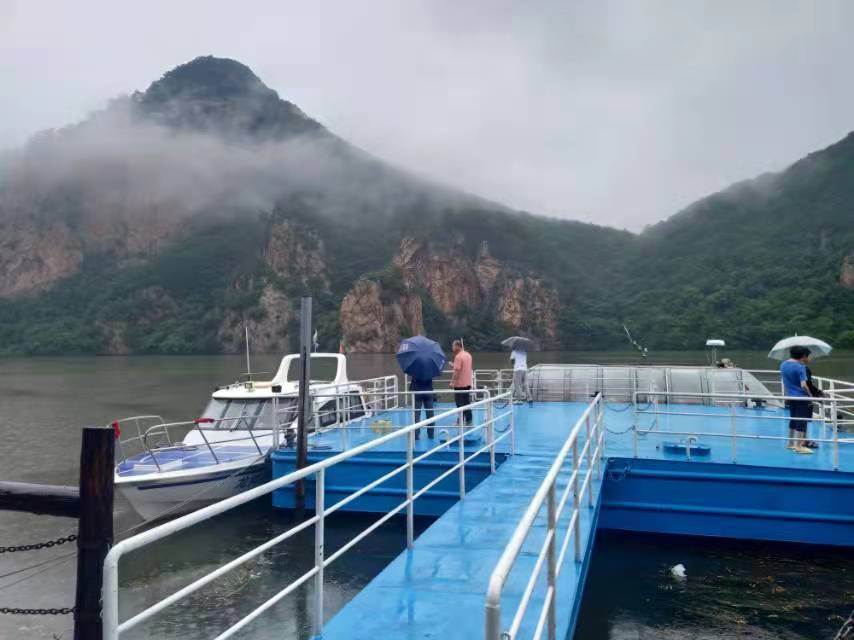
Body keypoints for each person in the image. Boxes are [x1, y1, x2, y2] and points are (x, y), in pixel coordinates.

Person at [780, 345, 814, 454]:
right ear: (803, 356)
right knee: (802, 421)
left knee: (793, 419)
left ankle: (790, 443)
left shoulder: (783, 364)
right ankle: (799, 446)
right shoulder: (800, 367)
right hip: (801, 398)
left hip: (790, 396)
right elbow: (803, 385)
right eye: (807, 356)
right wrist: (810, 395)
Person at [450, 339, 473, 426]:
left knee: (459, 403)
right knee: (466, 402)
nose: (452, 348)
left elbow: (457, 371)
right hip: (468, 383)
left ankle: (460, 421)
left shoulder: (458, 357)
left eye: (453, 346)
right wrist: (454, 365)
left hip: (460, 384)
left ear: (457, 346)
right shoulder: (468, 355)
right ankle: (469, 420)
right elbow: (463, 367)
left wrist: (452, 382)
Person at [410, 374, 435, 440]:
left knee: (416, 414)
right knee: (430, 414)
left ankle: (416, 434)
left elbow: (414, 381)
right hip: (428, 392)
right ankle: (431, 434)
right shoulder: (430, 369)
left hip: (417, 392)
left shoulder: (415, 370)